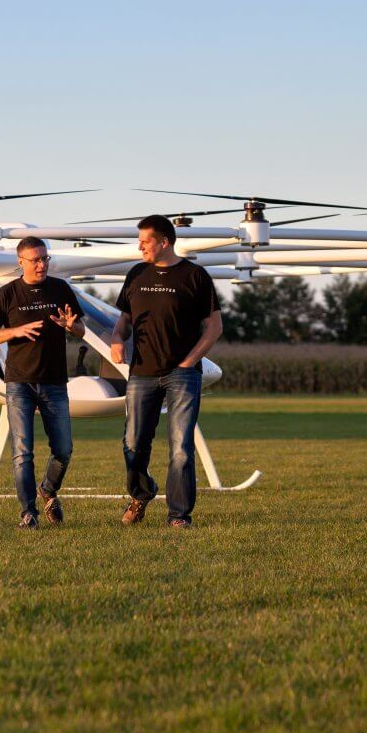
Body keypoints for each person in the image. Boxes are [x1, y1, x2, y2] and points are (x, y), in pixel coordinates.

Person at [110, 215, 223, 528]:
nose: (140, 246)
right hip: (141, 374)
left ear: (164, 242)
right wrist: (117, 340)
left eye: (145, 241)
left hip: (182, 376)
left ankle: (178, 515)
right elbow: (123, 323)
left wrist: (189, 362)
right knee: (133, 444)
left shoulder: (194, 276)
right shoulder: (136, 273)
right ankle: (142, 492)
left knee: (181, 449)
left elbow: (214, 327)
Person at [0, 236, 85, 529]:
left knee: (63, 449)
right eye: (35, 260)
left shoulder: (60, 289)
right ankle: (29, 514)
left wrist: (70, 325)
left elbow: (81, 329)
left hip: (54, 383)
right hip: (19, 384)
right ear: (21, 262)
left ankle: (48, 490)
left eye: (45, 259)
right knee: (22, 452)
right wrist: (14, 331)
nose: (41, 265)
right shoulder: (8, 294)